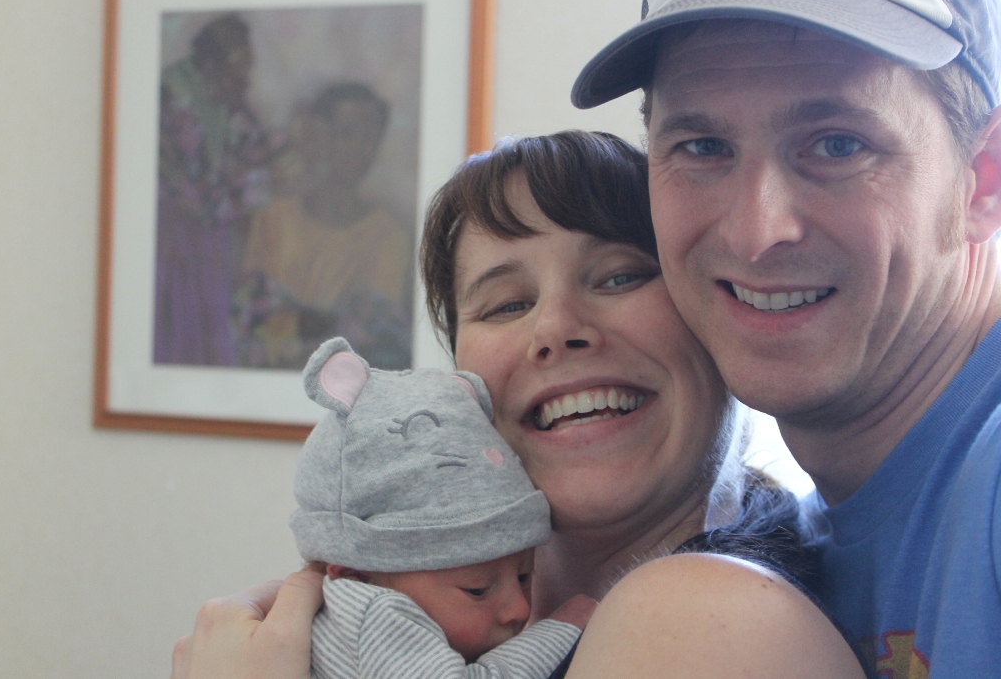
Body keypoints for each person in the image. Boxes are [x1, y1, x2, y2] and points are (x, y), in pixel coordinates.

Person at [169, 132, 865, 679]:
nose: (556, 326)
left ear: (718, 311)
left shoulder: (704, 618)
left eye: (620, 275)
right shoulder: (436, 615)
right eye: (507, 303)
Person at [562, 0, 1001, 676]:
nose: (756, 231)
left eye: (837, 144)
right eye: (703, 147)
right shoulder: (796, 551)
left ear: (984, 179)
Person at [291, 336, 591, 678]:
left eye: (524, 576)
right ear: (357, 577)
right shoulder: (369, 613)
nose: (520, 609)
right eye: (477, 590)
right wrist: (561, 629)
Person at [238, 83, 412, 370]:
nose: (360, 149)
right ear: (318, 138)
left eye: (370, 137)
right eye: (347, 134)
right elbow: (250, 316)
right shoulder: (275, 218)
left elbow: (377, 337)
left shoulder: (388, 235)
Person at [154, 13, 270, 366]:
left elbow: (254, 149)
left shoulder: (227, 101)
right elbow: (198, 186)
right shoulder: (174, 99)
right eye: (234, 70)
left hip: (210, 227)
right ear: (210, 65)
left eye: (245, 70)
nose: (242, 80)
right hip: (176, 231)